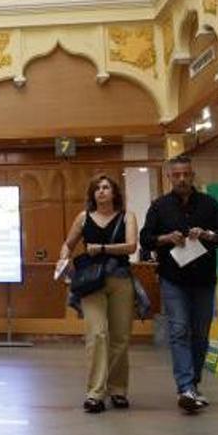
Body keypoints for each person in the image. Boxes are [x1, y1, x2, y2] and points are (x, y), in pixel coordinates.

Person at [140, 155, 218, 414]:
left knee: (200, 333)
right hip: (173, 279)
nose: (182, 179)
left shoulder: (208, 204)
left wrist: (207, 234)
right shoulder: (159, 207)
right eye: (177, 175)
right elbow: (146, 240)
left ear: (193, 176)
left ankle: (193, 384)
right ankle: (184, 387)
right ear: (169, 177)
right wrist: (166, 238)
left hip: (204, 278)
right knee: (179, 329)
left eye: (186, 174)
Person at [58, 175, 139, 413]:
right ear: (93, 195)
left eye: (106, 188)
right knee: (97, 334)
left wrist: (103, 248)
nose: (102, 192)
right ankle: (95, 393)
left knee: (120, 337)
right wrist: (63, 259)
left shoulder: (127, 217)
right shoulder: (83, 218)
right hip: (91, 282)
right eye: (97, 189)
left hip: (120, 280)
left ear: (114, 193)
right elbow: (68, 243)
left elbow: (132, 246)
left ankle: (118, 390)